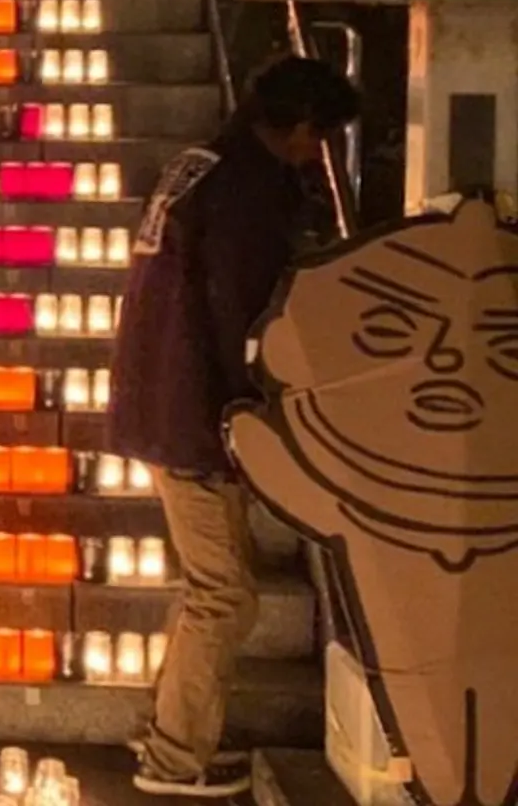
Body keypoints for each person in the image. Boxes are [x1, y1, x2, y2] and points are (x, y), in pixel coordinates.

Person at [109, 55, 360, 797]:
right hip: (195, 415)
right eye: (319, 138)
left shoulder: (200, 165)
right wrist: (253, 409)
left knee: (213, 588)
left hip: (161, 397)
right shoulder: (247, 192)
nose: (316, 154)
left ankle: (169, 732)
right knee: (222, 596)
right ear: (302, 125)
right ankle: (174, 760)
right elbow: (239, 314)